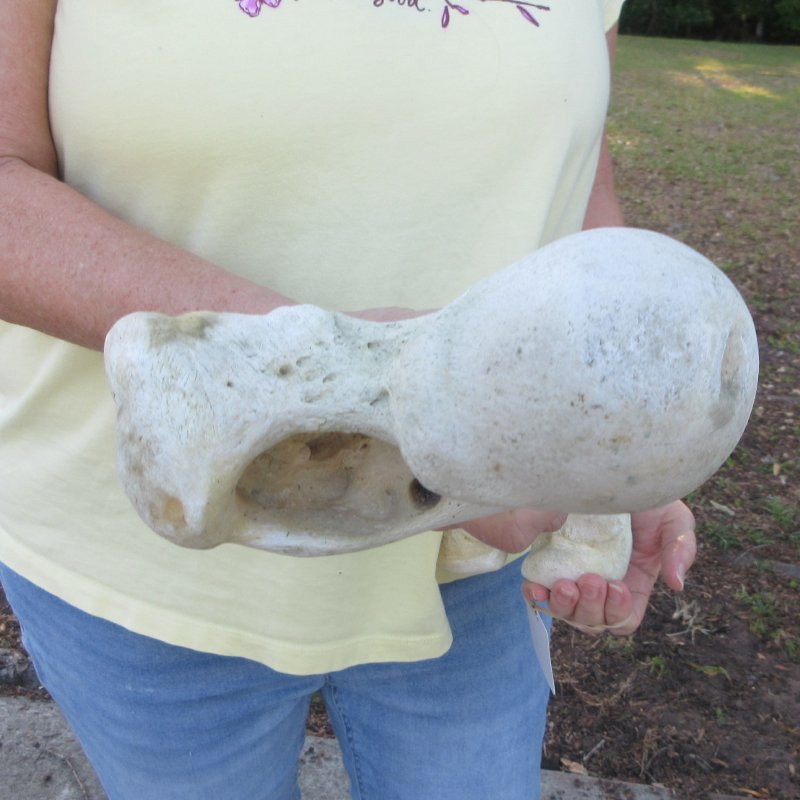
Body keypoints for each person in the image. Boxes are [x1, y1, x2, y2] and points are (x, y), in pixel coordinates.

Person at [0, 2, 696, 798]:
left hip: (471, 562)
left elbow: (575, 186)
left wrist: (626, 444)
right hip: (151, 562)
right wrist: (381, 387)